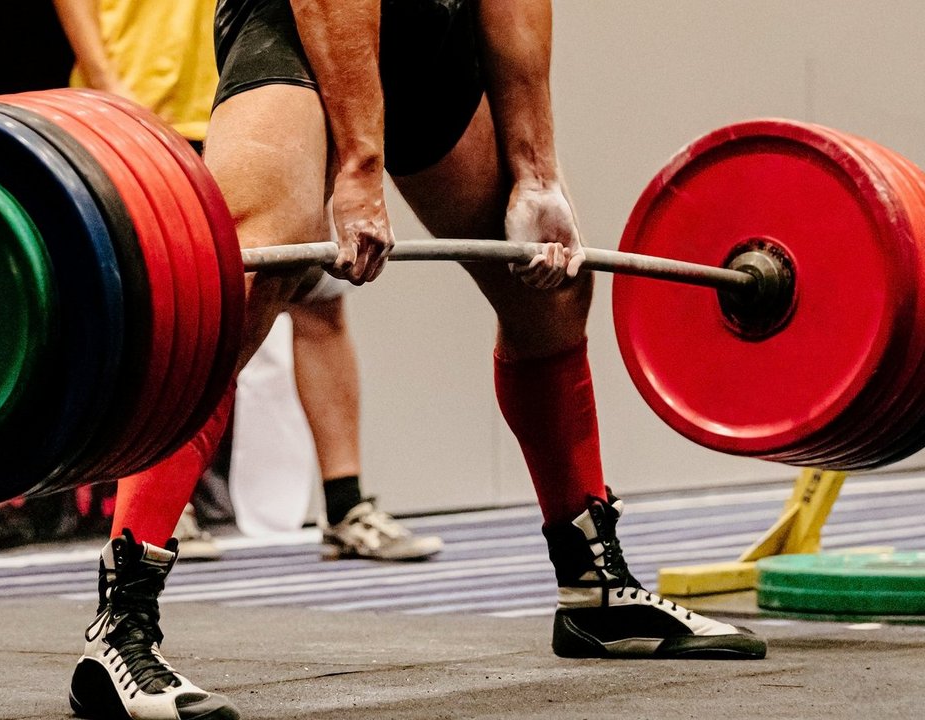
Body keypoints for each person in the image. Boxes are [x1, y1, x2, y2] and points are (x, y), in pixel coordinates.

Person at [60, 0, 769, 718]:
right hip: (300, 20)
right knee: (243, 284)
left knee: (549, 290)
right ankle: (118, 629)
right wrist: (359, 165)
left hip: (427, 21)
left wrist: (536, 171)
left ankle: (595, 589)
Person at [55, 0, 440, 566]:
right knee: (180, 321)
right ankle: (157, 516)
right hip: (138, 122)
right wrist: (116, 96)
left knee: (317, 306)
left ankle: (346, 505)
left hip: (244, 98)